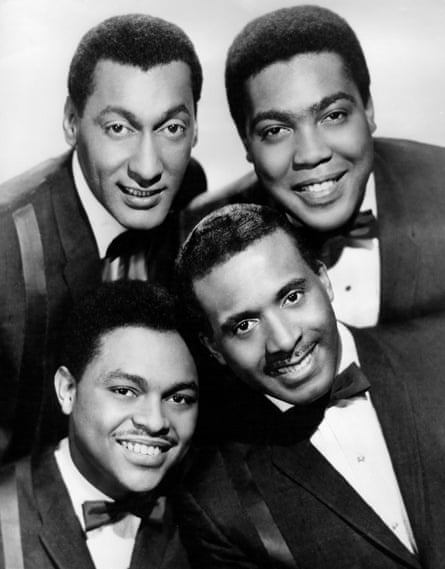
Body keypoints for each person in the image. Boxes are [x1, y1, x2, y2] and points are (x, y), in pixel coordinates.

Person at [174, 203, 445, 568]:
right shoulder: (217, 504)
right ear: (213, 348)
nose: (283, 340)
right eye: (244, 326)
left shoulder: (438, 353)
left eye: (291, 297)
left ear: (324, 278)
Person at [0, 13, 206, 462]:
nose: (149, 168)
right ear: (72, 123)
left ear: (194, 127)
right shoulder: (6, 252)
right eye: (119, 128)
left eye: (171, 128)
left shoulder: (189, 187)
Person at [184, 4, 445, 329]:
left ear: (368, 110)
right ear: (246, 144)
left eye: (332, 116)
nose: (311, 154)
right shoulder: (194, 237)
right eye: (275, 130)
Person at [0, 281, 199, 569]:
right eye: (124, 391)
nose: (155, 421)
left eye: (178, 398)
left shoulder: (204, 516)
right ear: (68, 390)